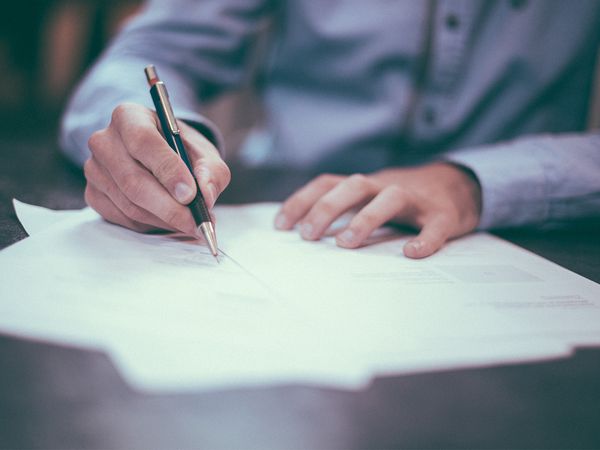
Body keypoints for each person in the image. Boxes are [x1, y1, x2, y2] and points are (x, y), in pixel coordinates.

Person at [60, 0, 600, 259]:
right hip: (284, 215)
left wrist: (474, 181)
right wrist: (147, 137)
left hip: (528, 236)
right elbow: (145, 55)